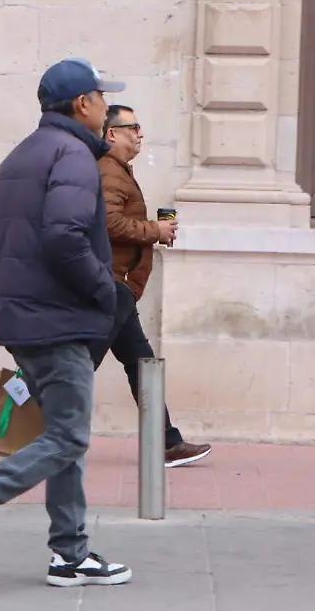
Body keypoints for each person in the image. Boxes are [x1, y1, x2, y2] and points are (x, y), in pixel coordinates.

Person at [0, 58, 133, 587]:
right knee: (68, 437)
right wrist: (103, 289)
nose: (108, 107)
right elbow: (65, 236)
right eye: (100, 97)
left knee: (62, 432)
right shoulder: (73, 156)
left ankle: (70, 553)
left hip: (27, 315)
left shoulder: (21, 155)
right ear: (82, 104)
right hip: (60, 319)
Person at [93, 105, 211, 468]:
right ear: (112, 134)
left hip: (121, 286)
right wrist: (153, 231)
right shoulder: (109, 172)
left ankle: (167, 442)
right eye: (133, 127)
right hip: (112, 284)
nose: (140, 134)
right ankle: (16, 424)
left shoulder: (119, 172)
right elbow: (109, 223)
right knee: (77, 364)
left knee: (141, 363)